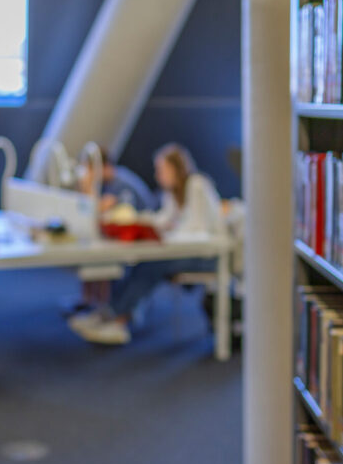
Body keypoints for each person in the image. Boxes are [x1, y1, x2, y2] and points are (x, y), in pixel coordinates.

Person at [68, 143, 225, 345]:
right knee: (144, 262)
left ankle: (116, 318)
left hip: (207, 255)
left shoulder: (196, 184)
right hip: (184, 251)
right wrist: (142, 222)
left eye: (161, 169)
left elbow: (197, 228)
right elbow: (164, 219)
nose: (158, 175)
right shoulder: (171, 192)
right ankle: (109, 313)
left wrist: (167, 232)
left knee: (154, 263)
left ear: (175, 169)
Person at [78, 146, 157, 212]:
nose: (89, 174)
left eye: (90, 169)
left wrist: (89, 187)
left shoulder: (121, 182)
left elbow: (97, 209)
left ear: (104, 166)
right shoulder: (107, 182)